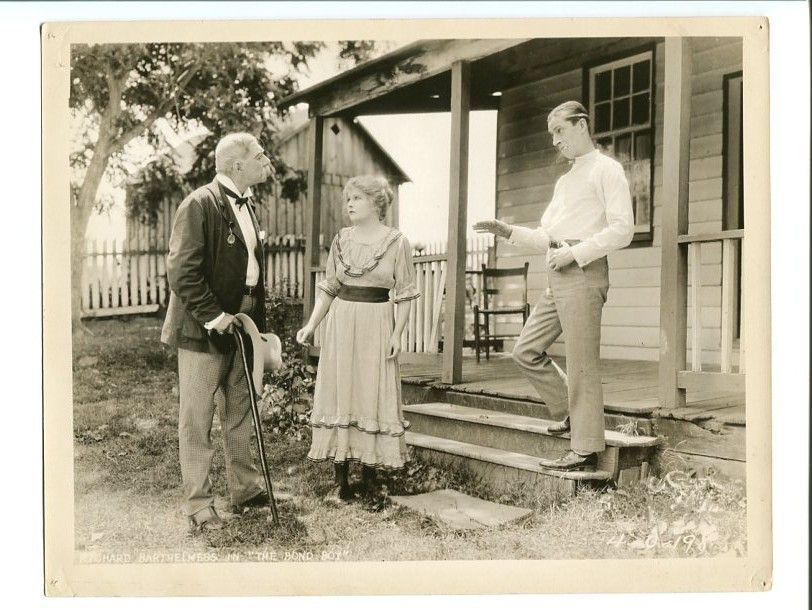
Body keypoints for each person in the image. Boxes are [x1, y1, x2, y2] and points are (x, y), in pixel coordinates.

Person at [473, 100, 634, 472]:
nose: (555, 142)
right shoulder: (566, 180)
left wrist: (575, 254)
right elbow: (548, 237)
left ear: (582, 125)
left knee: (581, 362)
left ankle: (585, 449)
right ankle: (570, 413)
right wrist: (507, 231)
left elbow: (623, 229)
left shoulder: (607, 170)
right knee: (526, 350)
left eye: (560, 131)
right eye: (552, 135)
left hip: (583, 270)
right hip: (557, 269)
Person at [161, 132, 274, 531]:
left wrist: (255, 326)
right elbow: (182, 272)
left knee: (240, 410)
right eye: (260, 156)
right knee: (197, 417)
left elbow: (250, 273)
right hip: (201, 329)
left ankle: (245, 490)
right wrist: (215, 316)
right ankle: (198, 505)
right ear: (236, 165)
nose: (266, 161)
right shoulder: (199, 204)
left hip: (244, 327)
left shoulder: (249, 205)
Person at [296, 175, 420, 500]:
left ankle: (367, 477)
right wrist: (311, 325)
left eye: (357, 198)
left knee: (371, 391)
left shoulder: (397, 242)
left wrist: (397, 333)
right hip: (342, 323)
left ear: (376, 203)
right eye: (347, 199)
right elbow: (329, 288)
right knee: (341, 390)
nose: (349, 204)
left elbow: (405, 293)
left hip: (377, 324)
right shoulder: (341, 240)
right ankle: (341, 483)